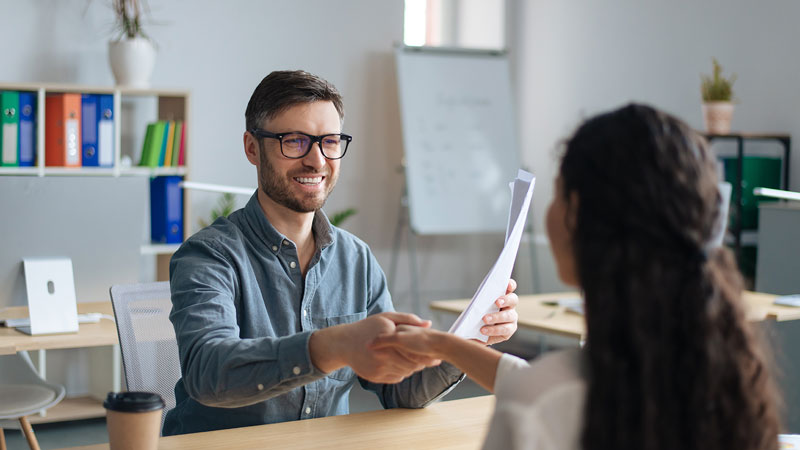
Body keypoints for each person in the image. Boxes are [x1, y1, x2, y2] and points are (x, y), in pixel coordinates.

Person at [371, 103, 781, 450]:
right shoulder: (732, 376)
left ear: (576, 214)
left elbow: (543, 389)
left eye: (558, 189)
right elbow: (534, 380)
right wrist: (445, 344)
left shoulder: (539, 404)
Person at [163, 70, 520, 436]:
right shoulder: (208, 256)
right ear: (252, 148)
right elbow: (208, 373)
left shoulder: (356, 260)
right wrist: (331, 347)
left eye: (329, 142)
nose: (317, 160)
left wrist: (470, 339)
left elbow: (400, 391)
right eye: (295, 141)